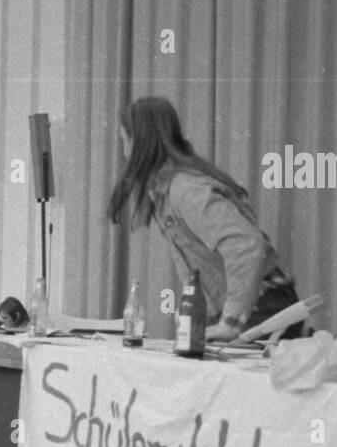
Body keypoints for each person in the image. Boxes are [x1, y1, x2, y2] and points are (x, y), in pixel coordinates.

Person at [108, 97, 301, 342]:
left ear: (139, 143)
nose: (124, 152)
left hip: (263, 310)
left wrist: (229, 321)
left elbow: (246, 245)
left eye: (124, 140)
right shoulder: (166, 191)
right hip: (254, 308)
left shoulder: (186, 190)